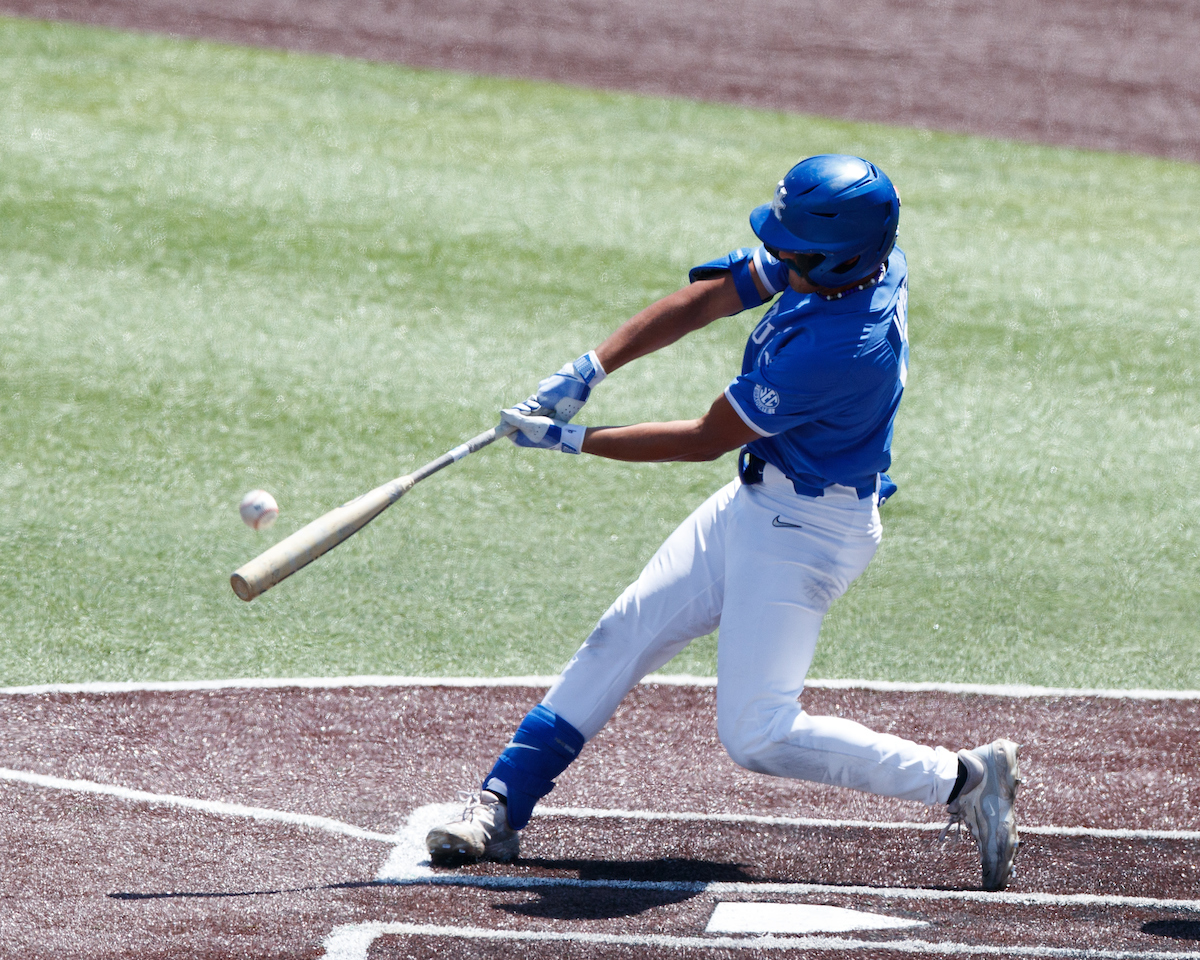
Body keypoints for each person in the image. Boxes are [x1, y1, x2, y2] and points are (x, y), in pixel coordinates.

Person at [425, 155, 1021, 891]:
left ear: (835, 258)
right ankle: (500, 804)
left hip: (808, 533)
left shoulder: (843, 348)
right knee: (623, 632)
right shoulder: (853, 262)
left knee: (758, 734)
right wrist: (587, 370)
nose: (776, 256)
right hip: (757, 504)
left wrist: (570, 439)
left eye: (791, 249)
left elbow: (707, 437)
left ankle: (964, 779)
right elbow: (715, 296)